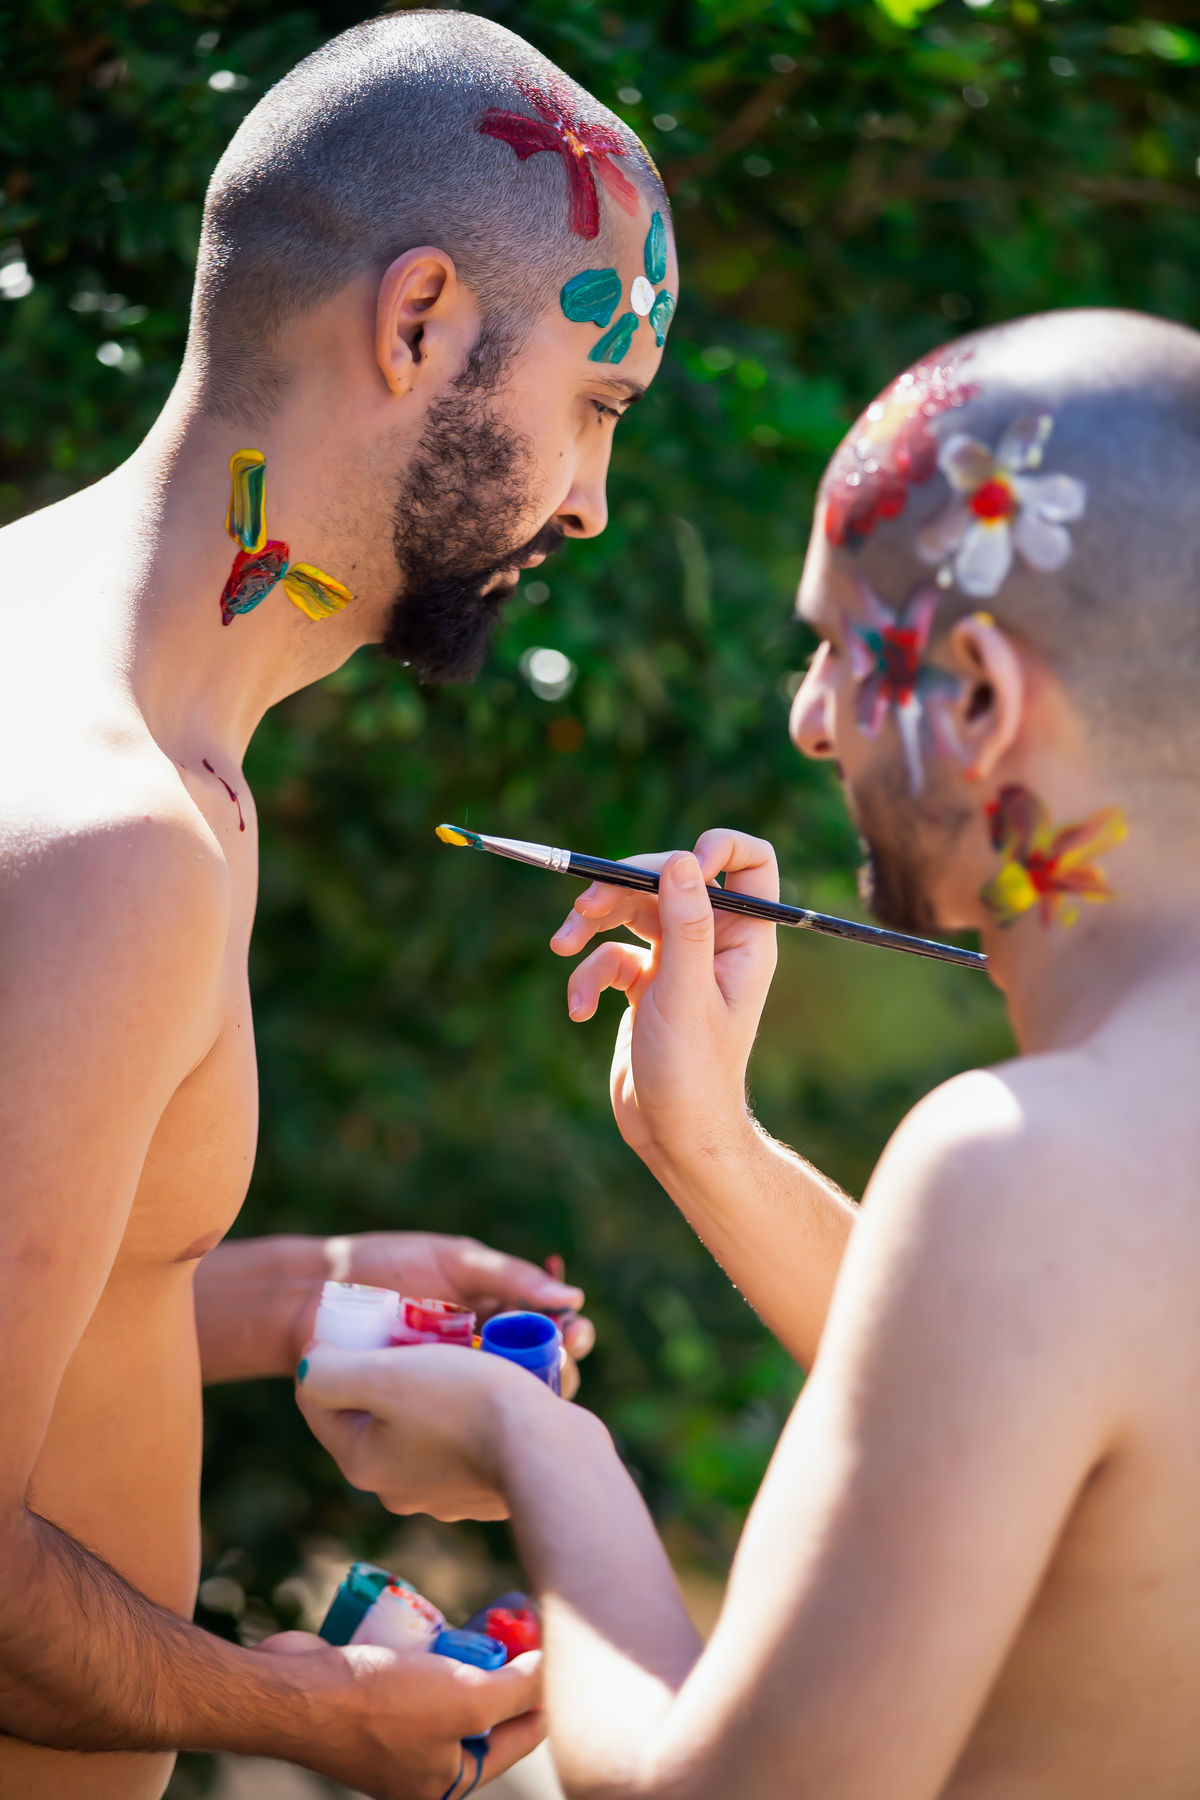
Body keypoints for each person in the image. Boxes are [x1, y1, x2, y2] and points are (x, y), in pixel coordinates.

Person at [298, 307, 1200, 1798]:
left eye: (845, 653)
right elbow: (1047, 1393)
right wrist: (707, 1140)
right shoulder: (1100, 1186)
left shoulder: (1029, 1166)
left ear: (978, 696)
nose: (808, 722)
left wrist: (538, 1449)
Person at [0, 10, 676, 1798]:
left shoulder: (112, 697)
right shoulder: (108, 833)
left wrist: (299, 1298)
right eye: (595, 406)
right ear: (421, 322)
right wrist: (321, 1718)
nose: (593, 505)